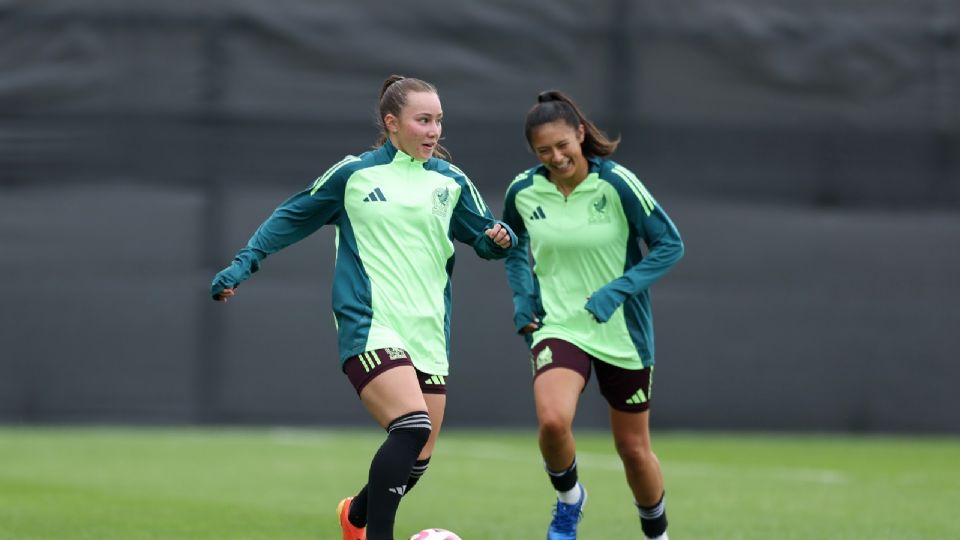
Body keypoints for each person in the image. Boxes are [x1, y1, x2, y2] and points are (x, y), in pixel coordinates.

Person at [210, 75, 515, 540]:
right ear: (392, 123)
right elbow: (291, 215)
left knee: (418, 459)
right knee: (410, 427)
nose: (434, 131)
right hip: (369, 324)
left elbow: (486, 239)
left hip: (428, 332)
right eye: (423, 120)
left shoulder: (450, 182)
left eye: (438, 121)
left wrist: (500, 239)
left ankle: (354, 516)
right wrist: (242, 264)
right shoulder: (354, 175)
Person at [502, 90, 684, 540]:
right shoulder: (523, 191)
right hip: (559, 326)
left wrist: (616, 292)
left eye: (563, 145)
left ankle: (657, 536)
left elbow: (670, 245)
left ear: (580, 134)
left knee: (634, 451)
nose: (557, 157)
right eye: (544, 151)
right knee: (552, 421)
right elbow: (513, 244)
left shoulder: (617, 183)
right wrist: (523, 300)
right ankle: (569, 501)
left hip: (622, 332)